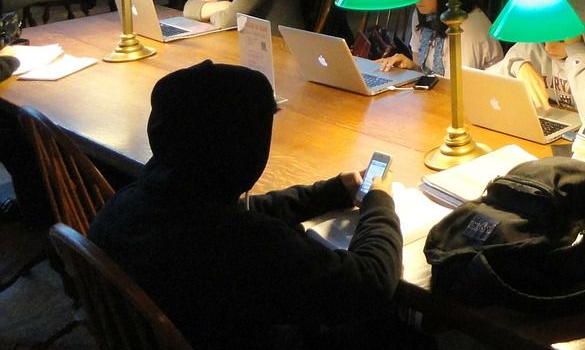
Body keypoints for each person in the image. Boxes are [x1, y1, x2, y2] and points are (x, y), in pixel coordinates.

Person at [89, 61, 413, 350]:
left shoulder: (132, 202)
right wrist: (379, 203)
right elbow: (371, 283)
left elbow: (239, 214)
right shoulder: (248, 244)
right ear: (243, 148)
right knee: (395, 332)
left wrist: (329, 192)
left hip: (179, 331)